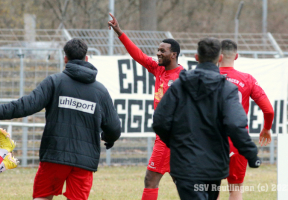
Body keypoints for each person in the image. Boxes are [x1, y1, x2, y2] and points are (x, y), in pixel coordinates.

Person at [0, 38, 121, 200]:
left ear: (65, 58)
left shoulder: (54, 82)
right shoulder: (101, 91)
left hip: (54, 154)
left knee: (42, 197)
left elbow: (25, 106)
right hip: (84, 160)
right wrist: (108, 138)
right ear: (86, 58)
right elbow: (114, 128)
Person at [152, 37, 261, 200]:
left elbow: (160, 120)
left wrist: (175, 142)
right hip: (214, 165)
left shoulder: (179, 85)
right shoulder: (227, 89)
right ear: (220, 58)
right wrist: (251, 154)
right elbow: (235, 125)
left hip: (184, 164)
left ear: (196, 57)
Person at [108, 13, 184, 200]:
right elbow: (138, 55)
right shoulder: (159, 69)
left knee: (151, 179)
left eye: (162, 51)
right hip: (169, 137)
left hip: (170, 138)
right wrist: (120, 33)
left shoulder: (183, 78)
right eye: (158, 50)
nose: (158, 53)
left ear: (173, 54)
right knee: (183, 181)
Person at [218, 39, 274, 200]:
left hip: (212, 139)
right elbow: (268, 110)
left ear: (218, 57)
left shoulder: (207, 78)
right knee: (235, 189)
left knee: (209, 187)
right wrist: (266, 128)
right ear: (236, 57)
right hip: (238, 140)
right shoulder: (247, 79)